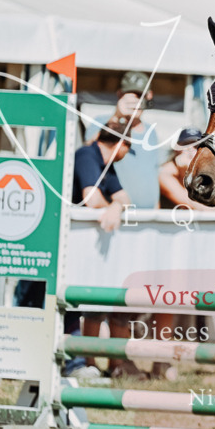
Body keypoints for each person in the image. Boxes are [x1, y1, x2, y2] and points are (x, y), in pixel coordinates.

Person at [69, 120, 146, 378]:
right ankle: (86, 363)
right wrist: (112, 206)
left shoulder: (106, 164)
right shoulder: (86, 155)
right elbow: (91, 199)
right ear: (121, 144)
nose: (126, 154)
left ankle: (101, 364)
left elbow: (124, 199)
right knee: (91, 303)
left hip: (92, 247)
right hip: (76, 247)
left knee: (102, 302)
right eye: (128, 148)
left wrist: (115, 207)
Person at [90, 71, 162, 209]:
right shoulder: (101, 122)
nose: (135, 102)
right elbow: (89, 149)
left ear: (149, 96)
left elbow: (153, 174)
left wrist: (156, 209)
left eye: (140, 96)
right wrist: (117, 116)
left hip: (149, 216)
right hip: (117, 213)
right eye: (129, 96)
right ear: (119, 95)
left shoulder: (151, 132)